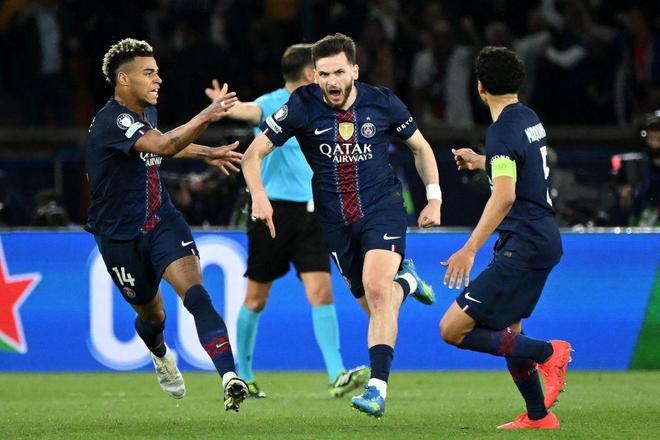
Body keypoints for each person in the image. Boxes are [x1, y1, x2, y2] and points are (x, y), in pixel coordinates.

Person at [241, 33, 441, 418]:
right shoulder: (301, 105)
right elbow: (253, 155)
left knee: (377, 290)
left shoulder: (382, 102)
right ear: (314, 75)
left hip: (381, 208)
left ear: (354, 71)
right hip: (334, 222)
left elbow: (421, 148)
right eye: (323, 74)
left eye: (338, 72)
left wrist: (434, 198)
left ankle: (377, 389)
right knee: (376, 303)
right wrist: (259, 196)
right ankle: (408, 282)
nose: (331, 81)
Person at [84, 38, 248, 412]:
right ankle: (159, 353)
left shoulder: (145, 113)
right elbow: (162, 146)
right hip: (119, 237)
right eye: (149, 72)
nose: (158, 78)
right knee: (152, 316)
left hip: (161, 222)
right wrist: (207, 116)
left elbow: (159, 142)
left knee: (196, 295)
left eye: (157, 72)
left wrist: (206, 152)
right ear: (123, 80)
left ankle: (229, 377)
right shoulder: (113, 121)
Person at [205, 43, 369, 399]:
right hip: (272, 211)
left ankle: (337, 374)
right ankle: (244, 374)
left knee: (321, 292)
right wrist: (227, 107)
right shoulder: (273, 103)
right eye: (320, 69)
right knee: (256, 297)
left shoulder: (323, 105)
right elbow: (250, 112)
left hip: (313, 212)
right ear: (310, 73)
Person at [439, 46, 572, 430]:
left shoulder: (500, 132)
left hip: (525, 243)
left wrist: (469, 249)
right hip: (538, 237)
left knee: (452, 329)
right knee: (510, 330)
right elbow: (518, 167)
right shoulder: (527, 118)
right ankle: (538, 416)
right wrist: (480, 161)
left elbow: (505, 195)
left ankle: (549, 352)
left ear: (479, 88)